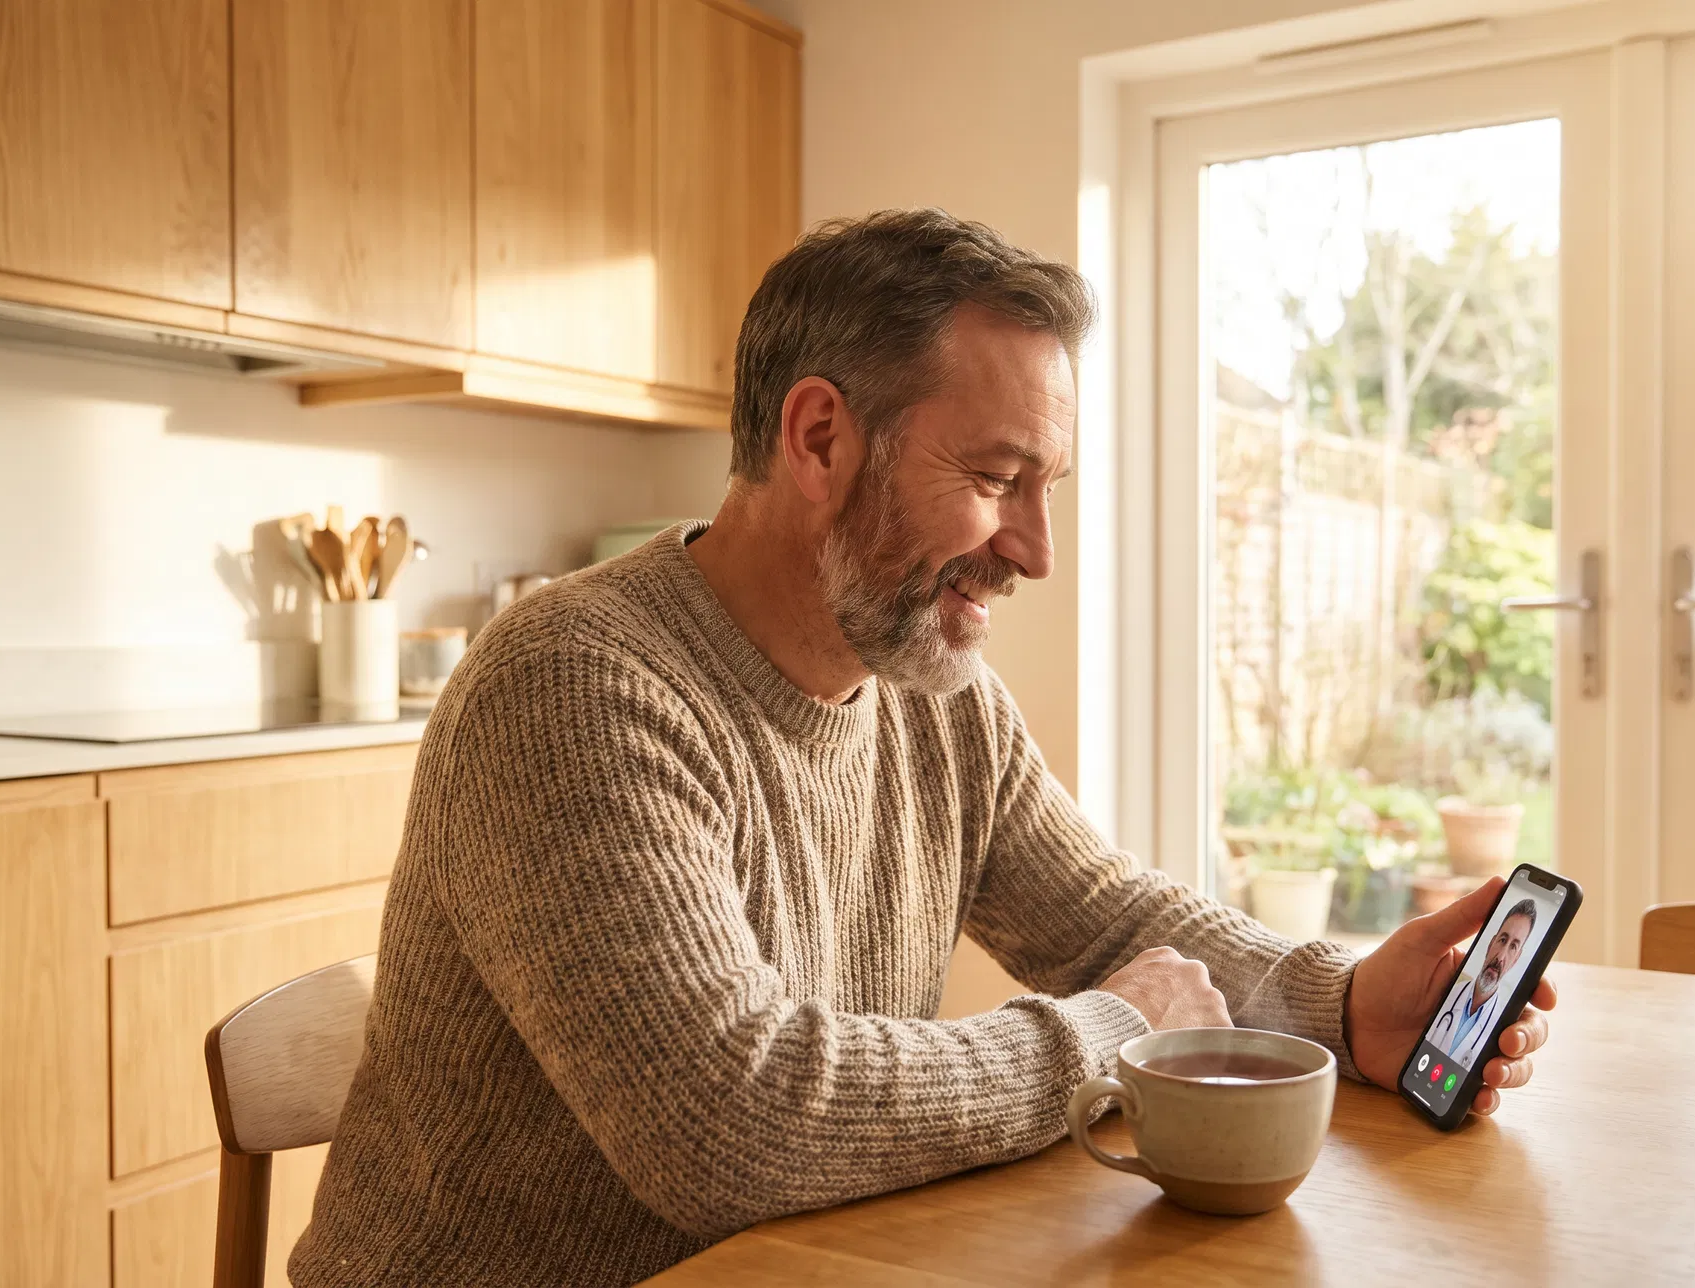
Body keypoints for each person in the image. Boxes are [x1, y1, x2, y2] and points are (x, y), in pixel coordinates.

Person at [290, 209, 1558, 1288]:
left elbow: (1108, 919)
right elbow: (732, 1119)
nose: (1034, 551)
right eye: (1000, 479)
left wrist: (1342, 1002)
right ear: (820, 439)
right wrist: (1108, 1036)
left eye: (1047, 487)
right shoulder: (575, 684)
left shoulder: (932, 696)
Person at [1426, 898, 1540, 1068]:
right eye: (1503, 940)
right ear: (1491, 943)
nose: (1500, 957)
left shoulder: (1503, 1027)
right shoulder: (1443, 992)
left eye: (1513, 947)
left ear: (1516, 959)